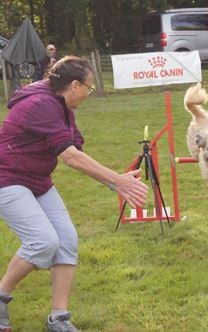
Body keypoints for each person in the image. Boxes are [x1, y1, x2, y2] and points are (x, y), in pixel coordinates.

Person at [0, 56, 148, 331]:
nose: (89, 94)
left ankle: (59, 318)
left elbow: (76, 149)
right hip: (7, 179)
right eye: (89, 88)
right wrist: (116, 182)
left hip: (37, 179)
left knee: (66, 240)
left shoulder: (62, 105)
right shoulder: (41, 105)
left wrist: (117, 177)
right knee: (43, 242)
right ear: (75, 85)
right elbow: (70, 157)